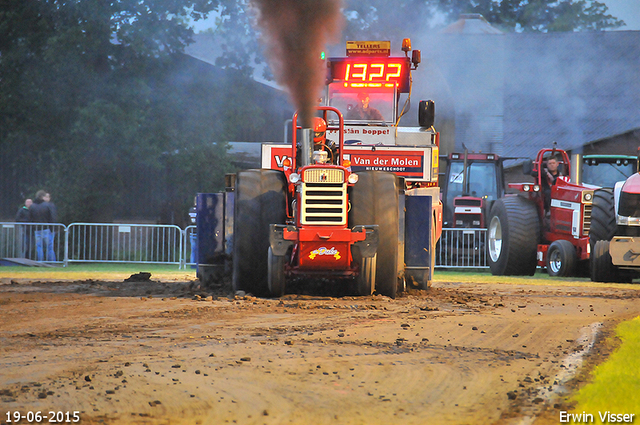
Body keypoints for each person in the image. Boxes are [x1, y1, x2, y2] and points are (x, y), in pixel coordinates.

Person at [30, 190, 58, 262]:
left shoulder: (32, 206)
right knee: (50, 247)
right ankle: (52, 262)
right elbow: (52, 217)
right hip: (46, 228)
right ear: (42, 196)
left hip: (37, 229)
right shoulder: (47, 205)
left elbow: (30, 218)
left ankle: (40, 262)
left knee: (39, 247)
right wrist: (53, 228)